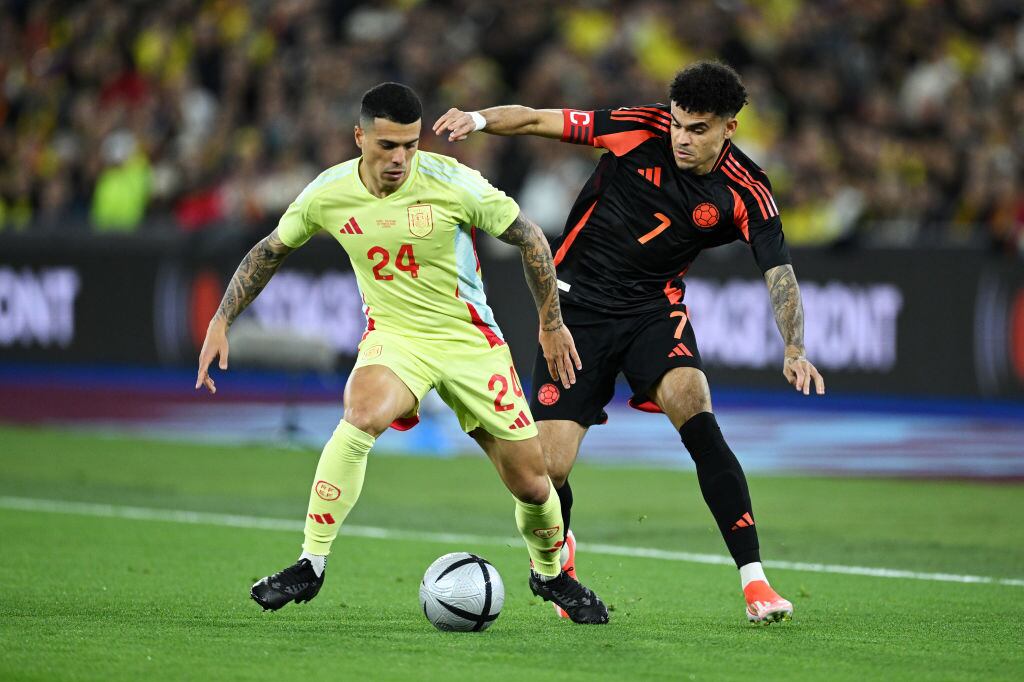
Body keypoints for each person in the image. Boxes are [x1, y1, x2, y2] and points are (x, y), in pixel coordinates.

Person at [195, 82, 609, 624]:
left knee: (533, 482)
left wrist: (551, 324)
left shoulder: (453, 182)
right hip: (396, 337)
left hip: (469, 342)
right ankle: (310, 563)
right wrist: (222, 318)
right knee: (362, 413)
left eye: (410, 145)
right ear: (359, 137)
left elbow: (531, 238)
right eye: (387, 145)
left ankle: (551, 574)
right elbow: (269, 250)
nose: (400, 158)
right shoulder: (328, 192)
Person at [434, 61, 825, 624]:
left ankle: (756, 582)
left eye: (698, 129)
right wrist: (477, 118)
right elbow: (537, 120)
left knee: (696, 409)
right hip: (575, 311)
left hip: (651, 311)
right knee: (547, 472)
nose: (682, 138)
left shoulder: (747, 190)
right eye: (678, 124)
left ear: (728, 130)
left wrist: (794, 348)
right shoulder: (637, 126)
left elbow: (779, 273)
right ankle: (559, 558)